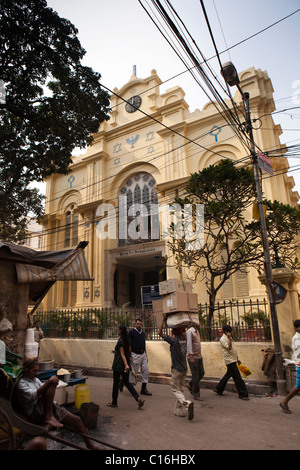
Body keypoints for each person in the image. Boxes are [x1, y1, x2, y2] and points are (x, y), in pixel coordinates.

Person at [16, 358, 99, 450]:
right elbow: (33, 395)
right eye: (33, 371)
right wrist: (49, 382)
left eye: (37, 371)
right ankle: (49, 416)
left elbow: (45, 392)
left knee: (76, 420)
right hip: (35, 413)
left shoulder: (35, 380)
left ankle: (90, 446)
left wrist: (54, 401)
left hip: (47, 408)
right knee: (51, 382)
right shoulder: (21, 383)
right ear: (27, 370)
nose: (36, 373)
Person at [158, 313, 194, 420]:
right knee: (181, 390)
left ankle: (187, 403)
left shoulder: (174, 341)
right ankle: (179, 412)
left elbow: (160, 333)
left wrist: (164, 318)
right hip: (184, 369)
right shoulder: (185, 338)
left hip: (176, 369)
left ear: (175, 331)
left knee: (175, 390)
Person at [107, 325, 145, 410]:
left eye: (118, 330)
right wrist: (128, 361)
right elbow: (128, 351)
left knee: (115, 383)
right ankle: (137, 398)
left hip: (118, 365)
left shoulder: (120, 340)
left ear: (120, 331)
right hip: (125, 363)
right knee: (127, 383)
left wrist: (126, 365)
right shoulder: (127, 339)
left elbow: (122, 354)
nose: (117, 331)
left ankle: (114, 402)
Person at [214, 325, 249, 400]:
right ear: (227, 332)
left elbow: (233, 349)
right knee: (237, 378)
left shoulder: (227, 338)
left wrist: (237, 359)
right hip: (230, 361)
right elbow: (229, 348)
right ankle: (243, 394)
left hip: (233, 359)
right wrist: (229, 339)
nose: (231, 333)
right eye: (230, 331)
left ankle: (218, 388)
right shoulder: (223, 339)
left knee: (228, 374)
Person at [280, 319, 300, 414]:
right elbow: (298, 353)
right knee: (298, 386)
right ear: (296, 328)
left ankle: (284, 402)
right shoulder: (297, 338)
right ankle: (284, 402)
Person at [128, 318, 152, 396]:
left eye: (140, 324)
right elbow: (128, 344)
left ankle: (144, 389)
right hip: (135, 354)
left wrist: (146, 354)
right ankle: (127, 385)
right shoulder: (131, 332)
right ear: (135, 324)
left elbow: (144, 343)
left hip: (143, 354)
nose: (139, 325)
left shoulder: (143, 333)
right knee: (133, 372)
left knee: (146, 371)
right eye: (137, 324)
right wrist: (129, 355)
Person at [186, 324, 205, 401]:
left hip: (199, 356)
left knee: (202, 373)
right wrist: (191, 357)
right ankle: (196, 394)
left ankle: (190, 384)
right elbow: (189, 345)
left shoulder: (197, 332)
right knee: (196, 376)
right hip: (193, 357)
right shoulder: (189, 332)